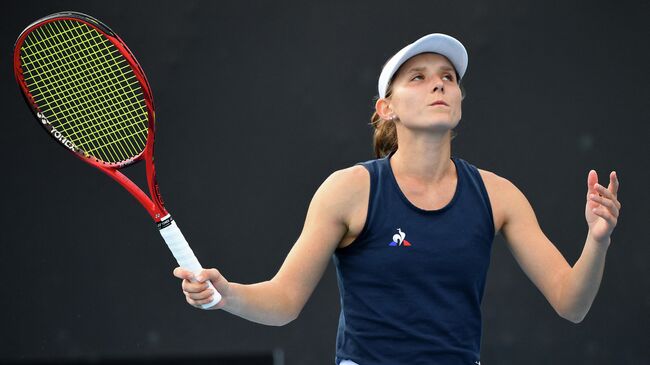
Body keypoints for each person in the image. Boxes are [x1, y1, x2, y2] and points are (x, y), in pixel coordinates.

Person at [173, 34, 621, 364]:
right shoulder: (348, 190)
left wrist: (596, 240)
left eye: (448, 77)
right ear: (386, 107)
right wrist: (226, 295)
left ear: (461, 99)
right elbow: (285, 301)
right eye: (419, 77)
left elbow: (572, 304)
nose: (439, 85)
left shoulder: (499, 196)